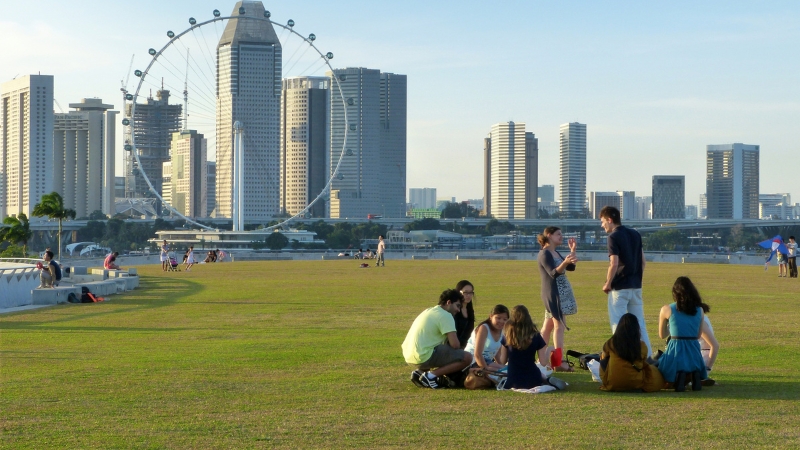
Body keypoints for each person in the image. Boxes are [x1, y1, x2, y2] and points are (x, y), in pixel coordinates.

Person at [600, 205, 652, 356]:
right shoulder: (635, 234)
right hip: (636, 286)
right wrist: (637, 279)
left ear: (610, 220)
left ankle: (621, 357)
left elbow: (614, 263)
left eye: (603, 221)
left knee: (618, 324)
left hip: (620, 287)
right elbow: (643, 261)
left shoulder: (613, 237)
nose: (602, 224)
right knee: (640, 324)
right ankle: (647, 357)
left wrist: (608, 283)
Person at [402, 289, 473, 389]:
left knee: (438, 347)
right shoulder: (446, 316)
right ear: (448, 302)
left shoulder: (429, 310)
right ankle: (430, 376)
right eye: (457, 306)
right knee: (467, 357)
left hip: (409, 355)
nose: (458, 310)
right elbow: (455, 345)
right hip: (423, 356)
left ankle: (420, 373)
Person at [536, 226, 579, 372]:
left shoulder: (554, 252)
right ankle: (557, 362)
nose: (561, 236)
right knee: (559, 326)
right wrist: (566, 262)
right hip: (554, 294)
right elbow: (553, 273)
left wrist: (572, 251)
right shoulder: (545, 253)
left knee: (547, 328)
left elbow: (570, 268)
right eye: (558, 234)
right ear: (549, 235)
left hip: (559, 292)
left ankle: (541, 360)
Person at [495, 305, 565, 391]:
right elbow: (543, 362)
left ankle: (546, 379)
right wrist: (549, 350)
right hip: (533, 379)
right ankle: (546, 380)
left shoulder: (507, 336)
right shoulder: (536, 336)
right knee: (540, 372)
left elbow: (502, 361)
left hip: (513, 380)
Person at [657, 277, 709, 390]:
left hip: (675, 348)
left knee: (660, 364)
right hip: (693, 350)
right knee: (691, 362)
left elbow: (662, 335)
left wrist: (672, 328)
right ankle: (694, 375)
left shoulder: (667, 309)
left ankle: (679, 376)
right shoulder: (699, 310)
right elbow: (698, 335)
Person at [599, 313, 665, 392]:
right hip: (636, 383)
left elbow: (604, 359)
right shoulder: (642, 345)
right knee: (655, 372)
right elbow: (643, 362)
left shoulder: (610, 343)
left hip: (613, 383)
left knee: (603, 358)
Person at [464, 304, 509, 371]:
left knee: (506, 369)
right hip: (473, 361)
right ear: (491, 316)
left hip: (488, 362)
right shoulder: (484, 328)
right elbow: (477, 354)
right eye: (498, 318)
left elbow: (496, 353)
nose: (501, 321)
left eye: (505, 319)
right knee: (504, 371)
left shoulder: (502, 331)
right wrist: (486, 369)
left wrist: (501, 365)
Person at [453, 280, 476, 348]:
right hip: (455, 347)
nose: (468, 295)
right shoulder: (454, 311)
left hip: (467, 346)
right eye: (465, 292)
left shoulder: (470, 311)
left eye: (471, 293)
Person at [698, 303, 719, 378]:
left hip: (703, 358)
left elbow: (714, 345)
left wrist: (707, 369)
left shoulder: (701, 321)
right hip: (701, 355)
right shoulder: (702, 317)